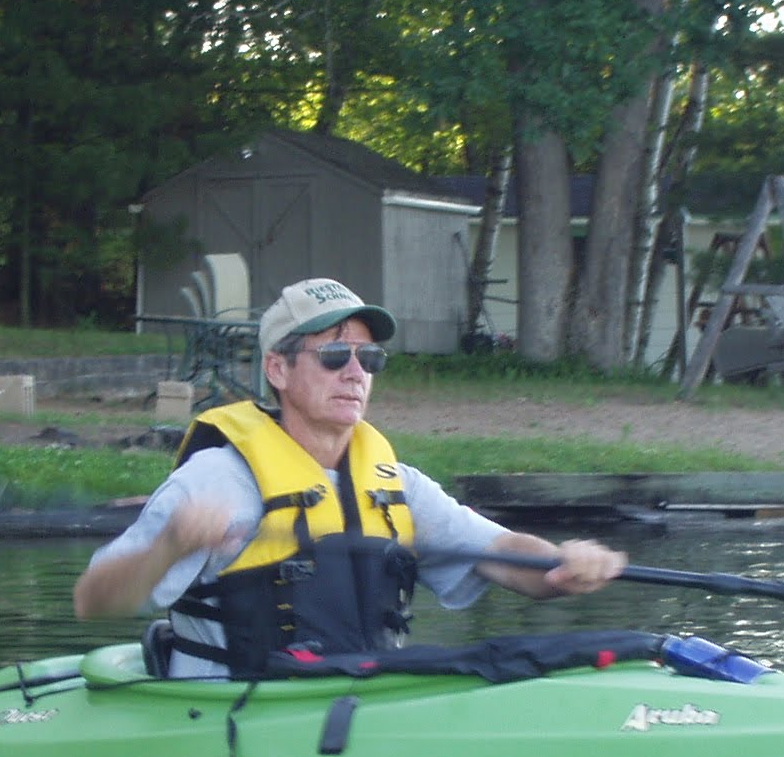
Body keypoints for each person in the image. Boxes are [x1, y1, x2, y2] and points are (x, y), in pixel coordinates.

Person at [73, 277, 628, 678]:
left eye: (370, 358)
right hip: (237, 720)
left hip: (359, 709)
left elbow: (502, 551)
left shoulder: (396, 485)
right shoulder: (217, 481)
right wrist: (170, 545)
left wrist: (559, 566)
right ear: (278, 369)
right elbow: (93, 599)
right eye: (335, 354)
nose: (356, 372)